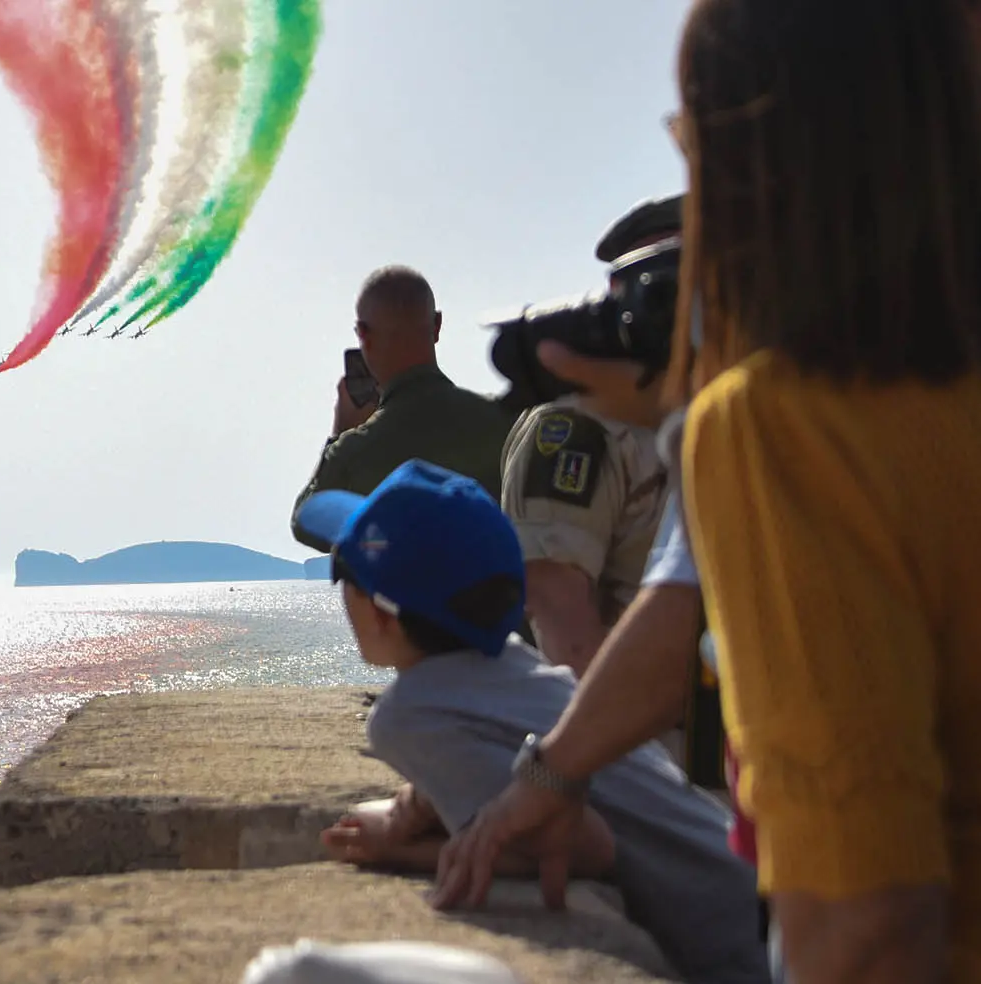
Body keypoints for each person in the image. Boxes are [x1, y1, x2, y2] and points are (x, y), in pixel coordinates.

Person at [449, 1, 981, 982]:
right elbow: (681, 598)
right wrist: (557, 773)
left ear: (754, 158)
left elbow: (867, 931)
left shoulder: (784, 431)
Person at [295, 458, 769, 984]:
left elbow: (582, 848)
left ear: (380, 612)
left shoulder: (406, 719)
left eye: (342, 570)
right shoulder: (517, 665)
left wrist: (400, 848)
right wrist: (412, 807)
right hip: (757, 890)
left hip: (730, 950)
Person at [496, 196, 681, 677]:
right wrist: (623, 748)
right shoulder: (578, 429)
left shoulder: (735, 411)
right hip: (653, 738)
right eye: (659, 285)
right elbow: (564, 625)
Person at [290, 266, 513, 553]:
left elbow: (307, 524)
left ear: (363, 335)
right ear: (437, 326)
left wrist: (342, 431)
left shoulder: (356, 451)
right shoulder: (508, 423)